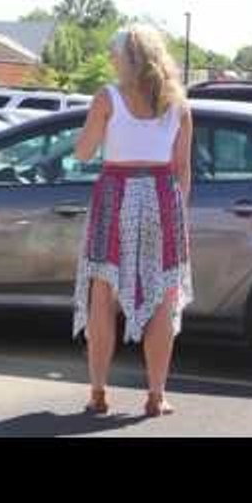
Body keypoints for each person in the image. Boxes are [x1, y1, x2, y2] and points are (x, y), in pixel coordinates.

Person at [72, 24, 193, 416]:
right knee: (163, 297)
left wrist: (95, 126)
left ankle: (98, 392)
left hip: (116, 193)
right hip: (162, 197)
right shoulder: (179, 103)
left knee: (102, 296)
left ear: (128, 57)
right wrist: (178, 217)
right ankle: (156, 395)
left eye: (114, 53)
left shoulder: (108, 97)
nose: (110, 59)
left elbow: (84, 153)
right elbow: (183, 170)